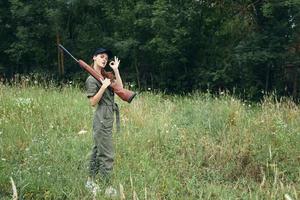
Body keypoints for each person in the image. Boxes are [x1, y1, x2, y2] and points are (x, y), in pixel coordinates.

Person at [85, 47, 122, 196]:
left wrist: (116, 70)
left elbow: (120, 87)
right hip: (101, 117)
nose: (104, 59)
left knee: (96, 150)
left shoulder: (106, 75)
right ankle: (107, 187)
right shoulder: (91, 79)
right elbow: (93, 102)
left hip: (108, 116)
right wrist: (104, 87)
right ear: (94, 58)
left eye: (106, 58)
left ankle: (90, 181)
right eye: (101, 56)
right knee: (107, 154)